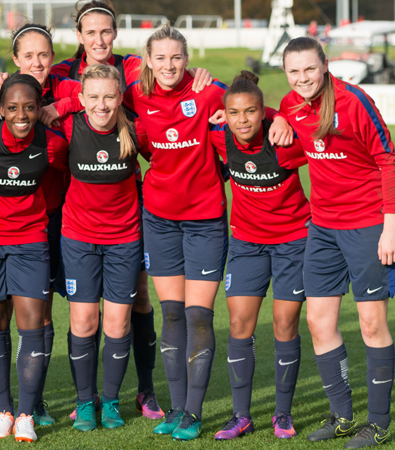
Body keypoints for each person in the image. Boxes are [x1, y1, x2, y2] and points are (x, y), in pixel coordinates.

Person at [124, 24, 292, 440]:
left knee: (199, 316)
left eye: (176, 57)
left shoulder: (209, 90)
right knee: (171, 314)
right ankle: (175, 409)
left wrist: (281, 117)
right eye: (160, 58)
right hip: (159, 219)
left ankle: (194, 413)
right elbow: (101, 95)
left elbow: (248, 105)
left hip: (204, 220)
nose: (168, 65)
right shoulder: (136, 95)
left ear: (188, 58)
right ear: (148, 59)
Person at [50, 0, 213, 421]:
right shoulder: (63, 76)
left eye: (107, 31)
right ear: (80, 36)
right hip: (78, 214)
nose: (100, 39)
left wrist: (199, 79)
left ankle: (144, 392)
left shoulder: (139, 68)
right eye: (91, 32)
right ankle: (85, 400)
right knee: (83, 314)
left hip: (130, 211)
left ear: (116, 33)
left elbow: (169, 100)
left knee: (138, 302)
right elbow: (49, 106)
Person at [0, 22, 81, 425]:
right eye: (29, 55)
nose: (38, 62)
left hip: (58, 214)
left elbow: (106, 97)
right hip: (11, 219)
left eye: (44, 54)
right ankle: (22, 407)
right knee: (10, 316)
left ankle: (31, 405)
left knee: (43, 314)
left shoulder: (65, 84)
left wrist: (58, 108)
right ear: (15, 60)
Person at [280, 36, 395, 448]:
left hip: (368, 226)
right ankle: (342, 417)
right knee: (318, 321)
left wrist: (391, 226)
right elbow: (291, 140)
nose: (302, 78)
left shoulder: (353, 100)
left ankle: (379, 422)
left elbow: (388, 159)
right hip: (323, 228)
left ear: (325, 65)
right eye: (294, 71)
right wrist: (277, 119)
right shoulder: (291, 105)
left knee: (371, 323)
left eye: (309, 69)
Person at [209, 71, 310, 440]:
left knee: (285, 324)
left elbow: (315, 127)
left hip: (293, 241)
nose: (242, 120)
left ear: (261, 112)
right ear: (225, 114)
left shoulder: (284, 141)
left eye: (251, 112)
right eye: (234, 113)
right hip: (247, 243)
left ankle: (282, 414)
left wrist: (280, 116)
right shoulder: (219, 136)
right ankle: (241, 416)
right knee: (239, 325)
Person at [59, 64, 143, 431]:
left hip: (124, 239)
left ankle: (109, 402)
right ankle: (84, 402)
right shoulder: (69, 125)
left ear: (120, 96)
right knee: (83, 320)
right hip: (78, 238)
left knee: (117, 321)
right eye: (93, 97)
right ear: (81, 100)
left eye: (109, 96)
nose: (102, 105)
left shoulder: (136, 130)